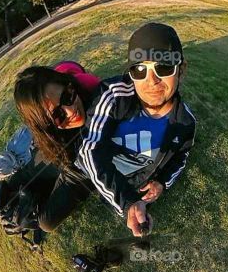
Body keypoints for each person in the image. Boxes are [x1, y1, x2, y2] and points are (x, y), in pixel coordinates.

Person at [78, 23, 197, 238]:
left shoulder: (185, 122)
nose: (151, 81)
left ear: (182, 69)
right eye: (139, 70)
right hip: (90, 176)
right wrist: (127, 202)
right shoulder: (113, 96)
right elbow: (89, 151)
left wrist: (162, 183)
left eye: (164, 68)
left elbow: (181, 156)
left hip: (135, 185)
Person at [0, 61, 102, 233]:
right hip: (64, 149)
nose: (71, 110)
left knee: (45, 222)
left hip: (81, 167)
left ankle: (29, 209)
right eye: (58, 115)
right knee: (19, 182)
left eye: (67, 96)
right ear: (45, 125)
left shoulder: (94, 92)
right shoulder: (49, 134)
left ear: (69, 85)